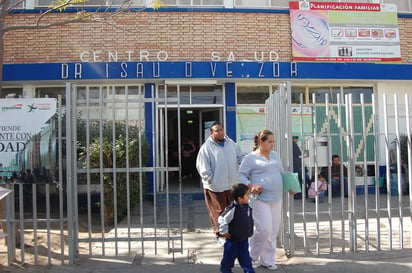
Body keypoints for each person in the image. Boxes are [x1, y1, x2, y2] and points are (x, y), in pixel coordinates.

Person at [238, 130, 296, 270]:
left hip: (277, 198)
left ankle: (267, 260)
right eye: (269, 141)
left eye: (273, 141)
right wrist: (251, 186)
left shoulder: (275, 155)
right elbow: (241, 175)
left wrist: (290, 186)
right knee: (264, 229)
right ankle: (252, 256)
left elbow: (282, 173)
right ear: (261, 142)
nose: (272, 144)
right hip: (260, 199)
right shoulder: (250, 158)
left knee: (273, 231)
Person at [196, 121, 245, 245]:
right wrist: (211, 181)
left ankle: (231, 233)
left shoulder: (231, 144)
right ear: (211, 133)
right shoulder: (206, 148)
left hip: (232, 186)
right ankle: (220, 235)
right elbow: (203, 168)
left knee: (232, 211)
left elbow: (240, 158)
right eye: (216, 130)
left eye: (221, 129)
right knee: (218, 212)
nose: (220, 132)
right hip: (215, 187)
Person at [218, 183, 255, 273]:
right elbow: (222, 219)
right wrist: (223, 231)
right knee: (228, 259)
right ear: (240, 199)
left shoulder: (248, 205)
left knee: (246, 259)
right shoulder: (232, 209)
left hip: (244, 240)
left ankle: (249, 271)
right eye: (247, 195)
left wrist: (257, 192)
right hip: (233, 241)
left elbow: (254, 198)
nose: (249, 196)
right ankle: (225, 269)